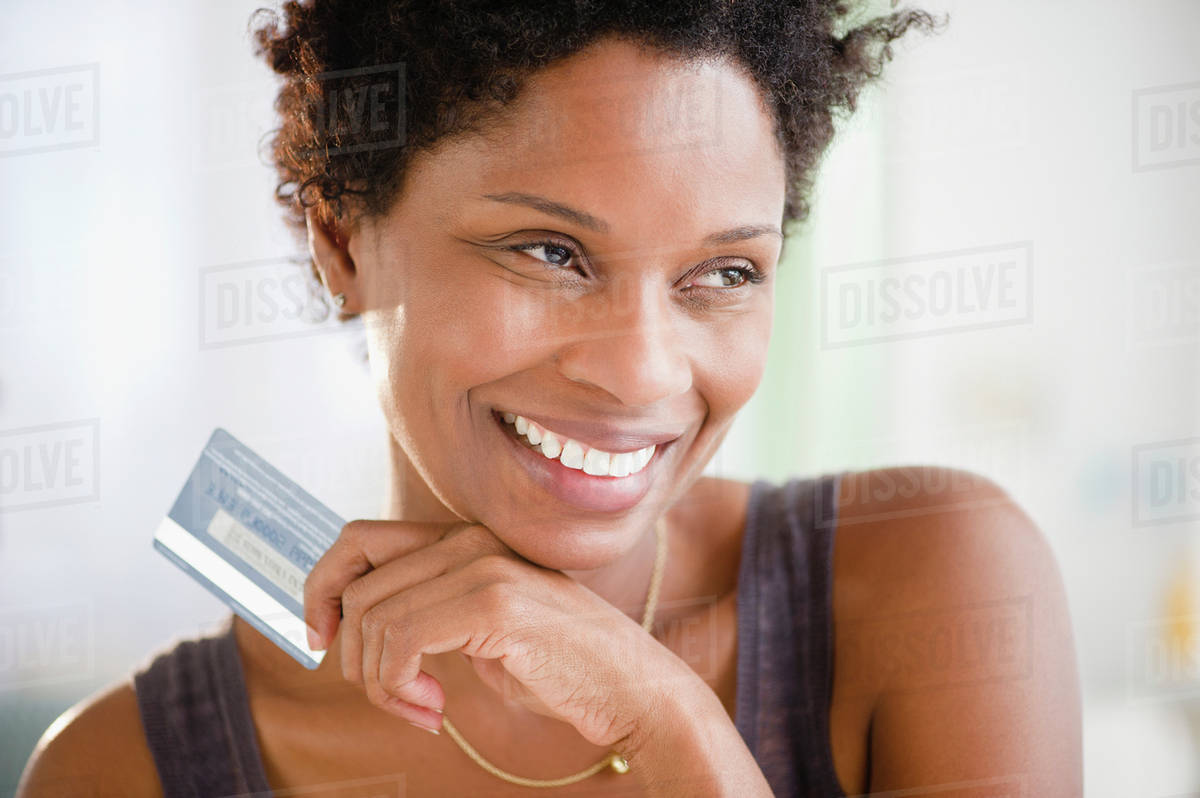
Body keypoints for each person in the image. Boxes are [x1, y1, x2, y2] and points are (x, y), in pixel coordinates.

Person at [18, 1, 1082, 795]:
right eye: (550, 252)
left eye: (724, 273)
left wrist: (666, 722)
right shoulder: (126, 769)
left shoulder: (934, 581)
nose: (642, 373)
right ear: (342, 241)